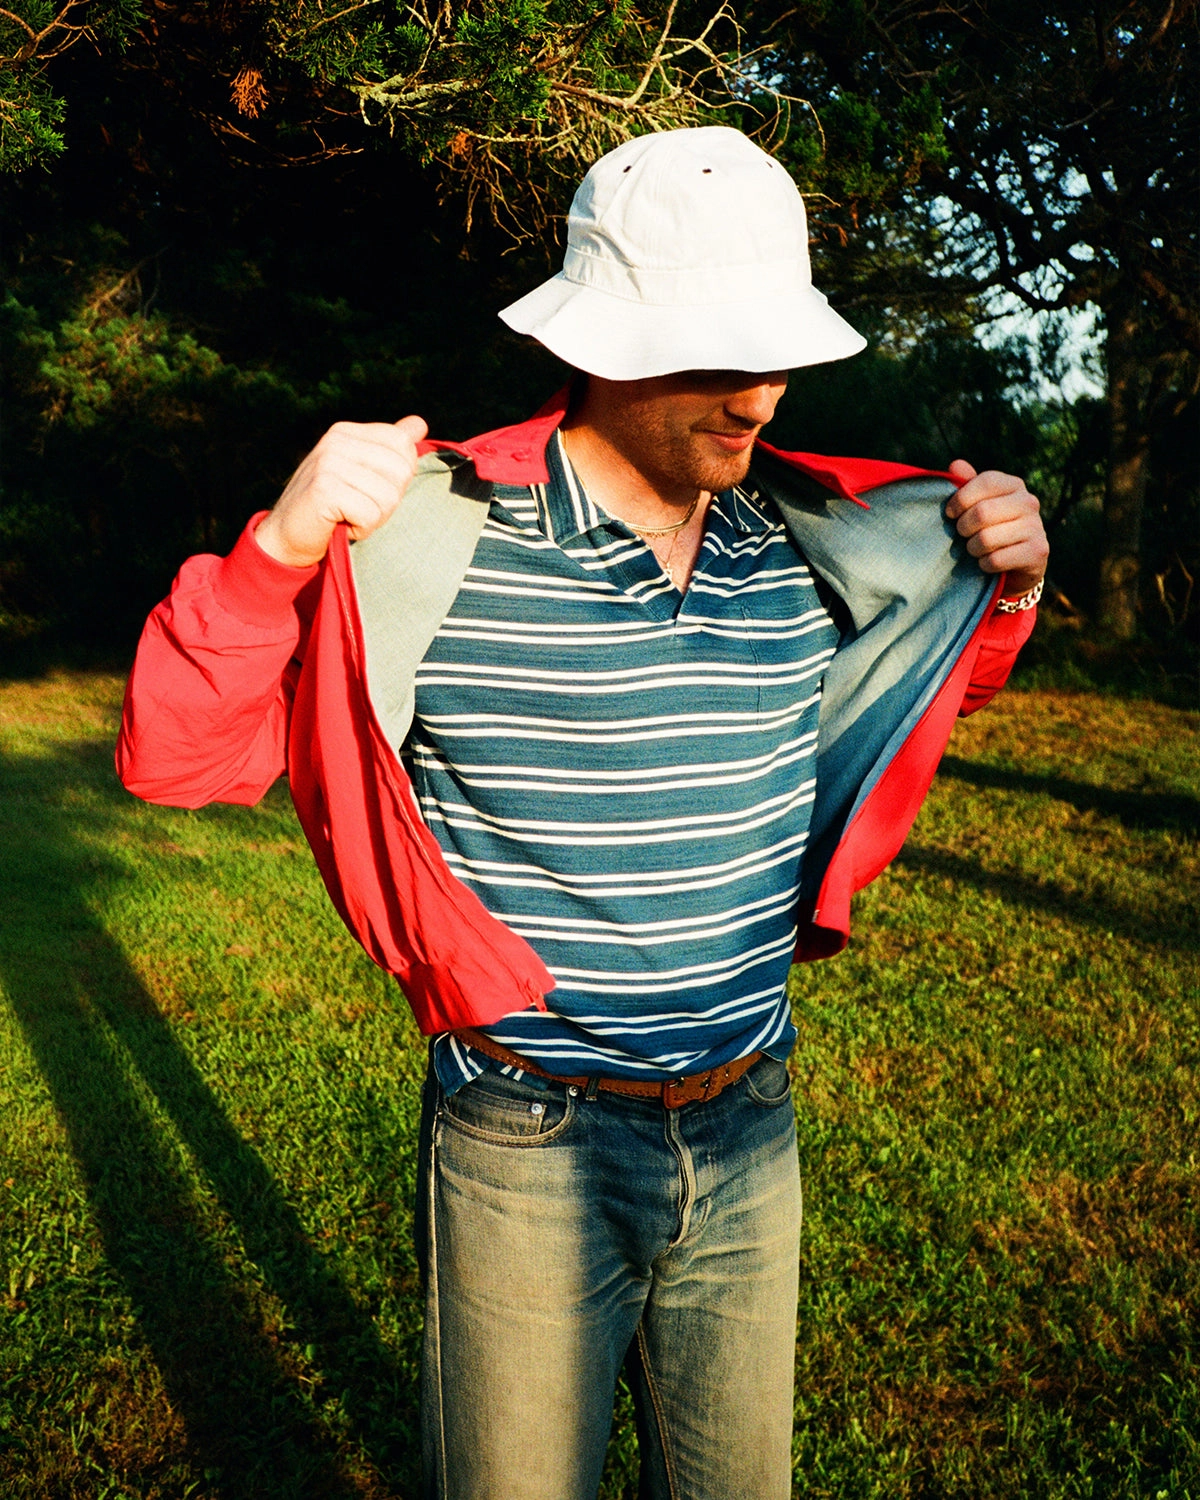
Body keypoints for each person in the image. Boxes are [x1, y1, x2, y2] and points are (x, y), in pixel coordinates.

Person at [117, 126, 1048, 1499]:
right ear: (603, 347)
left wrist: (1005, 592)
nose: (760, 399)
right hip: (525, 1141)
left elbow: (912, 695)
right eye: (719, 359)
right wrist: (278, 550)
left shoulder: (800, 539)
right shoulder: (438, 538)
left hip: (751, 1117)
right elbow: (178, 760)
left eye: (775, 353)